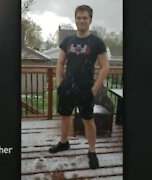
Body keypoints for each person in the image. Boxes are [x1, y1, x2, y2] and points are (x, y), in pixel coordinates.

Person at [48, 5, 110, 169]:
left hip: (86, 88)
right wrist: (59, 83)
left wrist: (94, 90)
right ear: (75, 19)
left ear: (90, 20)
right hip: (67, 87)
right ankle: (63, 142)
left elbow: (105, 67)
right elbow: (60, 62)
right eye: (79, 17)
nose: (82, 20)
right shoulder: (67, 41)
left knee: (88, 120)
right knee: (65, 117)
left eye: (85, 18)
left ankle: (92, 151)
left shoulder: (97, 42)